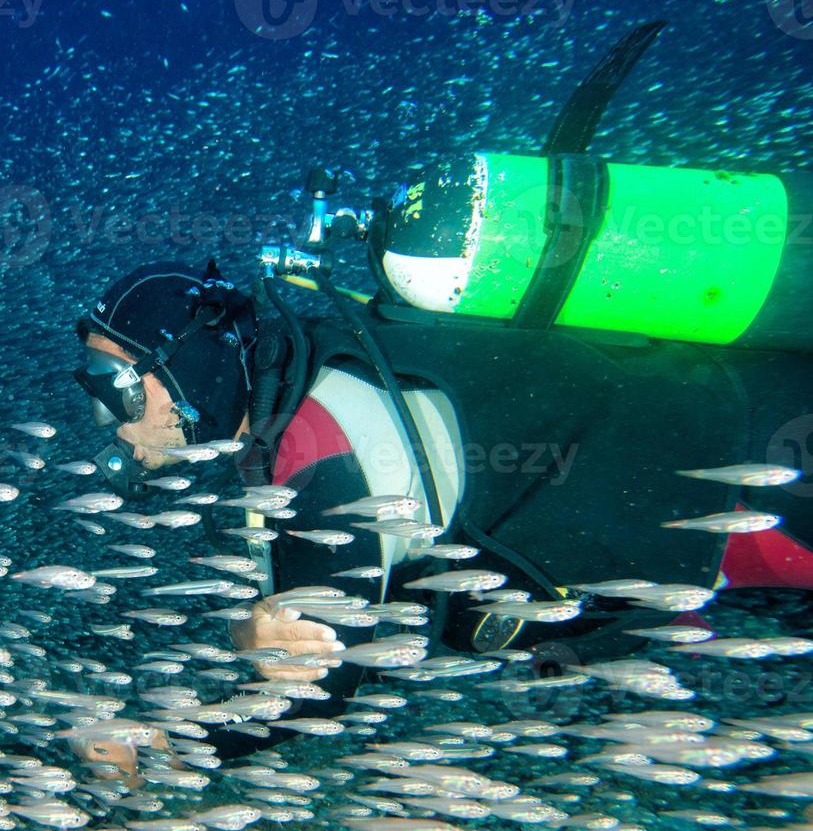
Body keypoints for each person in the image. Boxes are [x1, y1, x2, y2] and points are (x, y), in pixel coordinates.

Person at [66, 258, 813, 775]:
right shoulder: (320, 351)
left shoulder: (322, 458)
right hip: (725, 396)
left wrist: (161, 740)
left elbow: (317, 690)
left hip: (756, 493)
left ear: (187, 368)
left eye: (115, 385)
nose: (105, 415)